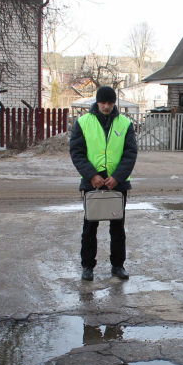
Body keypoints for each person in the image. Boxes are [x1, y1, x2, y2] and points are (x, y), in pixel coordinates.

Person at [69, 86, 138, 281]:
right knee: (90, 228)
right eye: (103, 102)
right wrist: (91, 175)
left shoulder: (125, 123)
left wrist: (117, 177)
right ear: (97, 102)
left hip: (117, 184)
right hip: (93, 183)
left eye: (110, 103)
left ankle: (118, 266)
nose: (106, 106)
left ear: (114, 103)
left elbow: (130, 153)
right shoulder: (83, 122)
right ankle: (88, 266)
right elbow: (77, 152)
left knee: (118, 228)